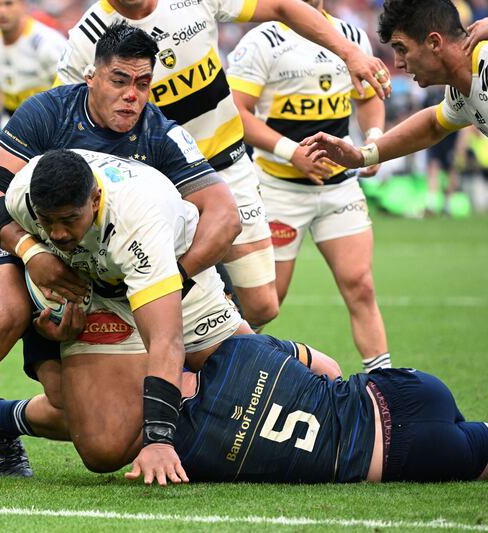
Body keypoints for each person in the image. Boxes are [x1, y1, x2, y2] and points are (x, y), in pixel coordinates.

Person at [0, 23, 244, 492]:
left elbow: (224, 215)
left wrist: (170, 282)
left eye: (142, 83)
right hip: (22, 242)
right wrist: (31, 253)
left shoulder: (161, 133)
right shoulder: (47, 112)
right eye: (119, 80)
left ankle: (4, 419)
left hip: (105, 276)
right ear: (92, 76)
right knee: (1, 316)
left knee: (88, 421)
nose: (132, 95)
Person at [55, 0, 393, 331]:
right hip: (160, 183)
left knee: (262, 306)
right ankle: (185, 359)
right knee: (167, 300)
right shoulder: (88, 36)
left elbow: (282, 6)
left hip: (227, 166)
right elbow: (65, 120)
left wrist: (349, 53)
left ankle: (213, 350)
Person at [226, 0, 391, 372]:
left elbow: (367, 98)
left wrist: (373, 140)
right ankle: (221, 374)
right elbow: (236, 112)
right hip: (279, 189)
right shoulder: (261, 40)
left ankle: (385, 385)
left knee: (361, 286)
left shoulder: (351, 36)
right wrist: (291, 152)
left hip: (339, 188)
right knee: (265, 302)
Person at [143, 334, 488, 484]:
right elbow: (331, 369)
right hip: (400, 389)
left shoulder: (186, 448)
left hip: (396, 452)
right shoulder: (238, 350)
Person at [302, 0, 488, 171]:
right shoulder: (458, 93)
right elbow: (433, 124)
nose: (398, 63)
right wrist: (363, 156)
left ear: (434, 42)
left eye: (402, 49)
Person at [0, 0, 67, 127]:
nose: (1, 11)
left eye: (8, 3)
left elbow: (70, 89)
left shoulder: (48, 43)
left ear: (24, 5)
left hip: (48, 124)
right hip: (10, 123)